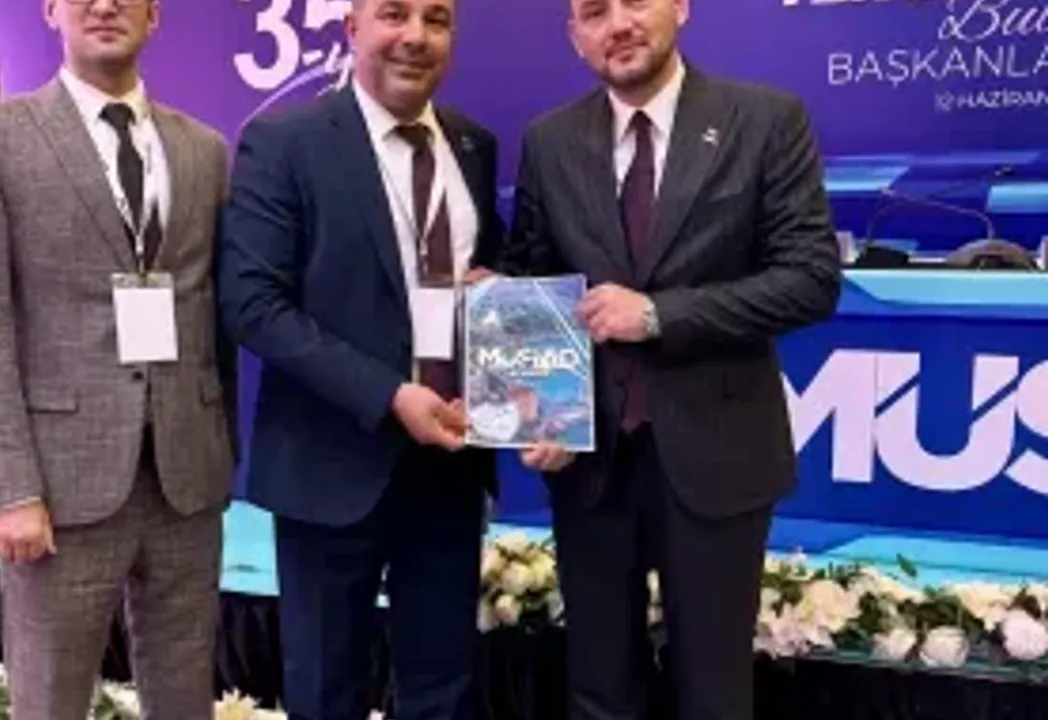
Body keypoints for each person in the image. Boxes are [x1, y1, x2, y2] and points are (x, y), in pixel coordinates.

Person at [500, 0, 842, 718]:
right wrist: (542, 410)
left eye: (636, 1)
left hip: (720, 456)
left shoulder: (765, 120)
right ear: (575, 36)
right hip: (591, 464)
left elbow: (810, 279)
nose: (618, 24)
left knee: (712, 693)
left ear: (681, 7)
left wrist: (657, 315)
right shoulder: (549, 141)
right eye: (595, 12)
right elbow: (535, 279)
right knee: (599, 690)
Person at [0, 0, 236, 718]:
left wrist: (220, 450)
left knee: (184, 695)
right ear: (51, 10)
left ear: (154, 15)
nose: (105, 5)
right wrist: (9, 489)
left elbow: (214, 315)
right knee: (51, 699)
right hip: (58, 485)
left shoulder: (203, 149)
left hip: (185, 478)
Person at [216, 0, 505, 717]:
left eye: (436, 19)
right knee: (325, 692)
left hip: (448, 465)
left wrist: (496, 295)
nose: (415, 37)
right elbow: (253, 304)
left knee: (444, 690)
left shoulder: (472, 145)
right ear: (353, 29)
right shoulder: (284, 142)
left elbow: (486, 283)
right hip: (329, 466)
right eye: (393, 15)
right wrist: (389, 395)